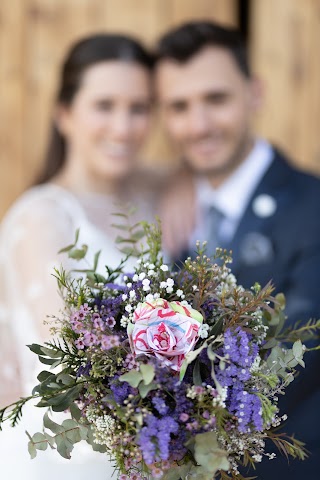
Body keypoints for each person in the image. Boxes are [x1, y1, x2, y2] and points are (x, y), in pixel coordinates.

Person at [155, 21, 320, 479]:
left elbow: (295, 361)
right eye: (179, 106)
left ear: (255, 93)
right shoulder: (162, 213)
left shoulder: (313, 207)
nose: (199, 125)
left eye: (216, 99)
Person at [0, 33, 155, 479]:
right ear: (64, 114)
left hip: (141, 451)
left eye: (139, 108)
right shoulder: (42, 218)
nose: (123, 128)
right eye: (105, 106)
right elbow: (74, 358)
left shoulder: (151, 201)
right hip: (58, 455)